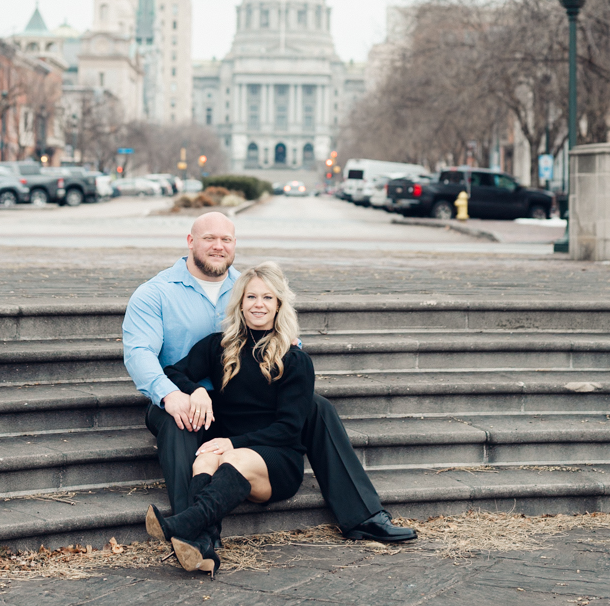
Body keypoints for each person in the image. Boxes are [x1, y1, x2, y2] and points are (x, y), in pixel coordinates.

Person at [122, 210, 415, 546]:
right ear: (191, 242)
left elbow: (278, 338)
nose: (218, 246)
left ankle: (363, 515)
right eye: (209, 239)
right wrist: (174, 394)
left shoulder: (247, 284)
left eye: (226, 240)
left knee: (315, 407)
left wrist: (287, 348)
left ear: (234, 245)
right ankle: (198, 535)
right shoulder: (156, 292)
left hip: (238, 394)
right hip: (180, 394)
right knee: (181, 418)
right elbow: (139, 353)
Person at [145, 262, 313, 576]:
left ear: (279, 305)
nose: (258, 304)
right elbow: (173, 372)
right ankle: (204, 548)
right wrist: (196, 391)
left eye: (267, 298)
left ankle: (182, 524)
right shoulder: (219, 346)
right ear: (240, 303)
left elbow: (289, 429)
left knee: (229, 457)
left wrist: (232, 443)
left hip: (276, 460)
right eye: (251, 297)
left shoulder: (294, 360)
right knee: (204, 460)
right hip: (231, 450)